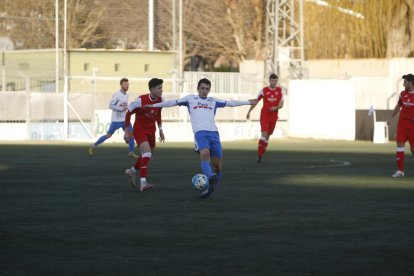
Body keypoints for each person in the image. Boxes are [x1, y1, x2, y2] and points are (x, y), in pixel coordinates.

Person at [146, 78, 256, 198]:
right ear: (198, 88)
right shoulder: (190, 99)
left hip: (214, 134)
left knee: (217, 166)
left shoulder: (213, 101)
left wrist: (248, 102)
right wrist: (153, 105)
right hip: (200, 133)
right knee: (205, 155)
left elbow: (230, 103)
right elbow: (172, 102)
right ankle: (209, 177)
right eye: (202, 88)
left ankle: (210, 188)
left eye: (207, 89)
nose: (205, 91)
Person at [124, 78, 165, 192]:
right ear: (152, 89)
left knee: (148, 156)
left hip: (152, 131)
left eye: (162, 87)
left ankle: (131, 171)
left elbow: (158, 114)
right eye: (159, 88)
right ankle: (143, 183)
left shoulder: (161, 100)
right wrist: (127, 131)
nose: (161, 90)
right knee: (147, 154)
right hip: (140, 130)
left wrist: (161, 129)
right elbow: (128, 114)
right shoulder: (141, 100)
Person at [89, 78, 136, 158]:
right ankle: (93, 145)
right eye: (125, 84)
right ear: (121, 85)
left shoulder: (126, 95)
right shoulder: (116, 95)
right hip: (116, 120)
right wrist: (121, 109)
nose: (127, 86)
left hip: (125, 119)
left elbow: (123, 105)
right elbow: (110, 106)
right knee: (108, 135)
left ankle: (131, 153)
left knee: (131, 135)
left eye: (128, 84)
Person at [246, 73, 284, 163]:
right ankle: (259, 156)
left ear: (276, 81)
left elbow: (281, 104)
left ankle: (262, 150)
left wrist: (275, 108)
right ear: (269, 81)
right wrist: (249, 111)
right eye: (272, 80)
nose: (274, 82)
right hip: (265, 115)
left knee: (268, 136)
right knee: (264, 133)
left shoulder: (280, 91)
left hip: (274, 117)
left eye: (275, 81)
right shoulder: (264, 90)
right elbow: (256, 101)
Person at [390, 73, 414, 178]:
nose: (403, 84)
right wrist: (391, 117)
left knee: (413, 149)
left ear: (411, 83)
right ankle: (400, 171)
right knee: (399, 145)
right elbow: (399, 105)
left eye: (405, 82)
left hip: (412, 126)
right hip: (402, 124)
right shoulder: (402, 94)